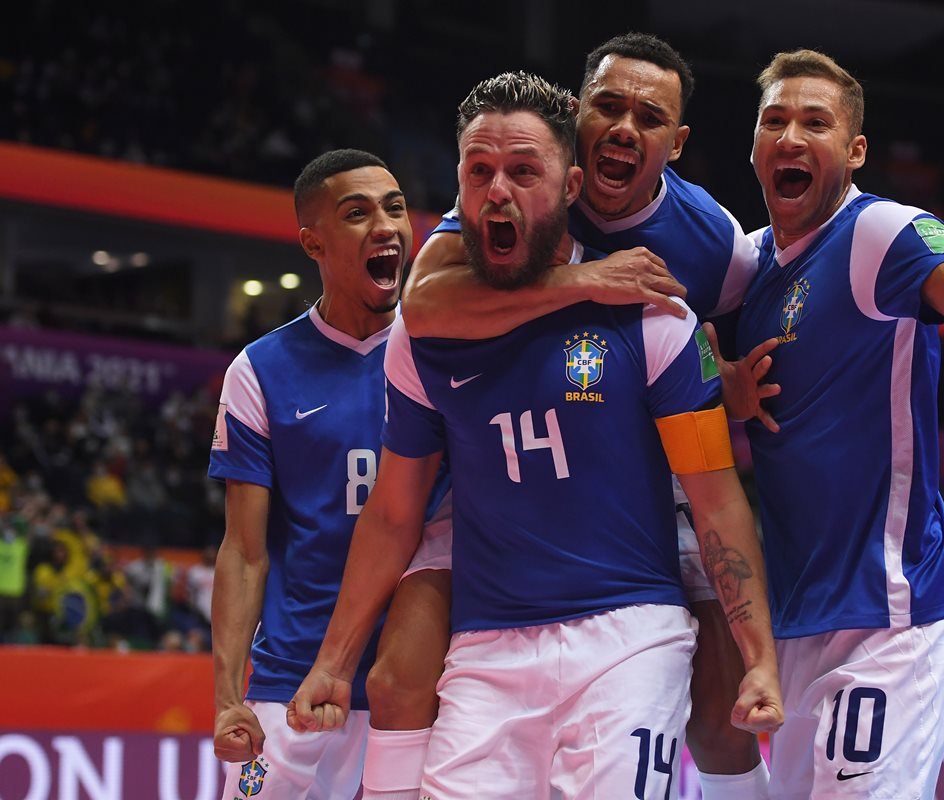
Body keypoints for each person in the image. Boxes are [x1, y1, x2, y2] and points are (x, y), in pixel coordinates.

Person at [289, 70, 782, 800]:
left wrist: (761, 658)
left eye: (524, 172)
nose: (498, 191)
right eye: (479, 171)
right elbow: (393, 512)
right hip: (486, 653)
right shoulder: (424, 332)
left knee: (715, 725)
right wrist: (332, 663)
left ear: (573, 187)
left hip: (630, 639)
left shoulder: (655, 316)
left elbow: (716, 503)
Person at [718, 49, 944, 798]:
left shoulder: (885, 233)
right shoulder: (744, 265)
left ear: (855, 150)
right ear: (752, 146)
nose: (790, 135)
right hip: (797, 623)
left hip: (893, 615)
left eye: (816, 121)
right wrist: (725, 390)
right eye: (773, 120)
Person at [207, 148, 450, 798]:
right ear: (313, 240)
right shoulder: (260, 371)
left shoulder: (447, 353)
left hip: (419, 684)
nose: (386, 226)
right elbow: (244, 552)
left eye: (396, 209)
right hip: (293, 683)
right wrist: (227, 695)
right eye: (358, 212)